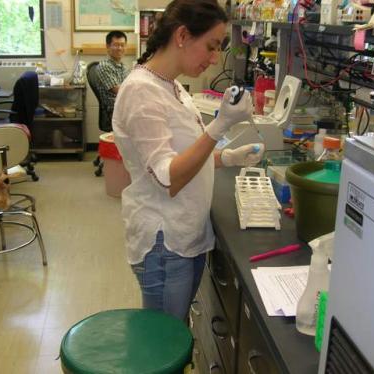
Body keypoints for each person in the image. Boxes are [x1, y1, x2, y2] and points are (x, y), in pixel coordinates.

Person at [112, 0, 264, 321]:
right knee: (164, 343)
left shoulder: (174, 87)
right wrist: (220, 124)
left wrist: (229, 156)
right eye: (211, 46)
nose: (214, 59)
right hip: (164, 243)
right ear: (182, 35)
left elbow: (188, 155)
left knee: (177, 331)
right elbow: (168, 177)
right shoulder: (141, 92)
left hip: (186, 235)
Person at [96, 30, 130, 127]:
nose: (119, 48)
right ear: (108, 46)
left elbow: (129, 86)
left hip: (124, 106)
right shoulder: (104, 66)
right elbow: (119, 90)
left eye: (122, 45)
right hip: (114, 110)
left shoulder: (123, 66)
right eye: (116, 45)